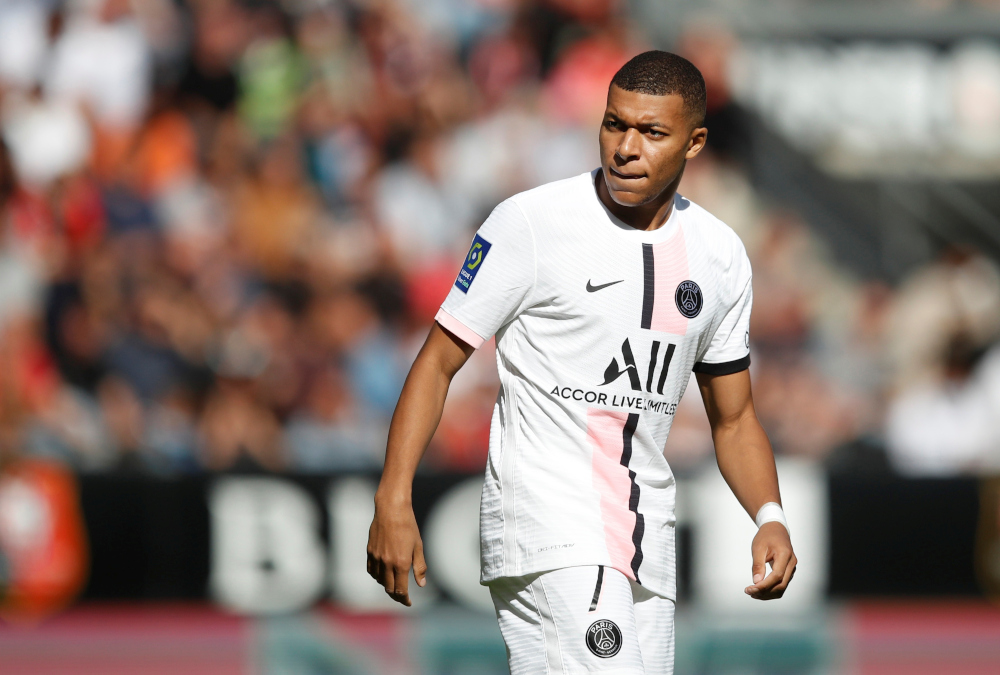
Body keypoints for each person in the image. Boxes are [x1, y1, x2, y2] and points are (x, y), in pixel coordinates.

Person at [367, 50, 796, 674]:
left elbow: (733, 418)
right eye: (614, 123)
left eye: (651, 132)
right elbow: (436, 363)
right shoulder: (533, 224)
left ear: (694, 142)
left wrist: (770, 516)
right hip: (548, 523)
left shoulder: (719, 256)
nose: (625, 147)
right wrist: (393, 499)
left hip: (646, 533)